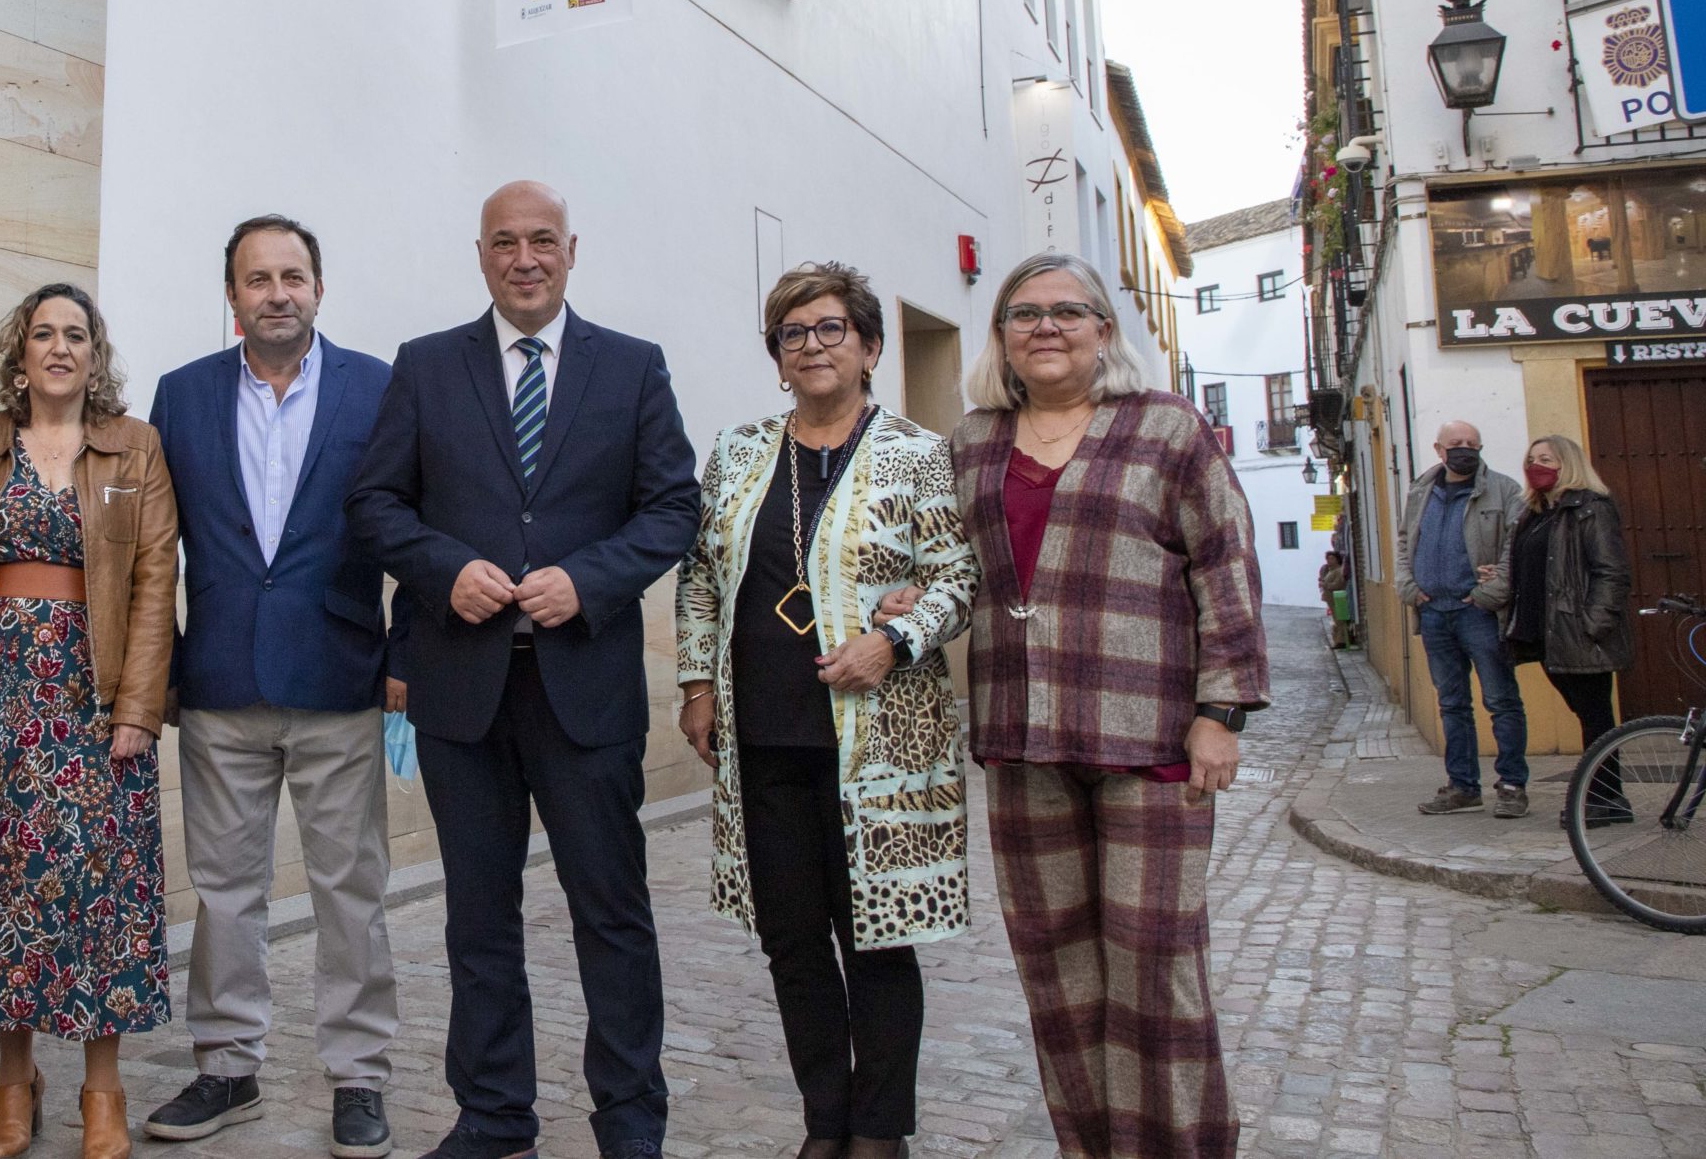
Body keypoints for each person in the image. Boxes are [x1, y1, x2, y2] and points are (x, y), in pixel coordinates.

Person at [348, 180, 699, 1159]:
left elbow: (672, 507)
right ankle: (495, 1114)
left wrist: (586, 582)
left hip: (584, 691)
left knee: (611, 918)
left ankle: (630, 1126)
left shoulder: (631, 369)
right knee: (478, 922)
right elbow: (375, 504)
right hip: (463, 691)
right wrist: (442, 569)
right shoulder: (425, 367)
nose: (524, 258)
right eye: (505, 242)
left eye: (541, 240)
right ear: (481, 255)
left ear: (571, 250)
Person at [948, 253, 1266, 1159]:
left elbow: (1225, 563)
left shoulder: (1165, 429)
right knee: (1059, 976)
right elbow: (951, 567)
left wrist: (1223, 708)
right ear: (1002, 336)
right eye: (1024, 313)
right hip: (1023, 743)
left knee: (1155, 968)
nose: (1045, 327)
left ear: (1104, 332)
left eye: (1067, 311)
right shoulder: (973, 440)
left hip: (1149, 737)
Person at [674, 263, 977, 1159]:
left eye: (831, 328)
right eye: (793, 333)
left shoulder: (920, 453)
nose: (812, 344)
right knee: (793, 940)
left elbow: (960, 577)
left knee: (879, 939)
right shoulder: (736, 452)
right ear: (776, 358)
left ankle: (879, 1131)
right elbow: (699, 576)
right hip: (763, 736)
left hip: (879, 744)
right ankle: (825, 1119)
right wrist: (696, 685)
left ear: (871, 346)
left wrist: (897, 637)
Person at [141, 215, 399, 1159]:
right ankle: (226, 1062)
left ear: (319, 288)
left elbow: (414, 529)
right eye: (258, 278)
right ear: (233, 293)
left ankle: (360, 1074)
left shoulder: (380, 387)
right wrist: (156, 667)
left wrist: (403, 655)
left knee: (351, 887)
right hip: (219, 678)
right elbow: (150, 549)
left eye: (293, 275)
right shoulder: (182, 395)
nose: (277, 292)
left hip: (339, 673)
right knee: (224, 888)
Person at [0, 283, 179, 1159]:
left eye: (76, 334)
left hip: (94, 703)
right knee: (5, 893)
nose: (58, 347)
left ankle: (104, 1090)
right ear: (17, 352)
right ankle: (13, 1081)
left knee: (99, 896)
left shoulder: (136, 447)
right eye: (42, 334)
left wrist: (139, 706)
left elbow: (153, 582)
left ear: (95, 355)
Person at [1396, 420, 1529, 817]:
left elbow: (1514, 548)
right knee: (1452, 705)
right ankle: (1462, 786)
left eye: (1472, 443)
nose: (1464, 449)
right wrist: (1408, 588)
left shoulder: (1504, 491)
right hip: (1434, 613)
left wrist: (1488, 594)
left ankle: (1511, 786)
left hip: (1480, 614)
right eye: (1456, 444)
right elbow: (1405, 541)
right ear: (1439, 449)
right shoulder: (1421, 490)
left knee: (1501, 700)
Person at [1505, 434, 1635, 828]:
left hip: (1578, 633)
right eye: (1531, 458)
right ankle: (1609, 796)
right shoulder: (1534, 512)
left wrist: (1592, 624)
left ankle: (1602, 798)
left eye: (1546, 458)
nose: (1536, 465)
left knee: (1595, 717)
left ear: (1568, 463)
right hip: (1546, 633)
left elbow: (1611, 571)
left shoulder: (1590, 508)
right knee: (1587, 715)